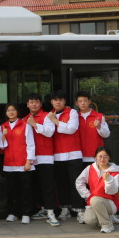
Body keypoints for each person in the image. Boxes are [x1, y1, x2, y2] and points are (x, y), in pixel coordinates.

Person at [47, 91, 85, 223]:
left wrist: (55, 121)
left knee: (76, 183)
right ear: (51, 102)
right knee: (62, 184)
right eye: (55, 100)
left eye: (61, 100)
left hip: (74, 153)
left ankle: (80, 210)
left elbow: (71, 129)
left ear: (65, 102)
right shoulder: (49, 115)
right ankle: (65, 209)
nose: (58, 102)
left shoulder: (72, 112)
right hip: (57, 155)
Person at [24, 93, 60, 227]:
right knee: (35, 186)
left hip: (45, 156)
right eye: (31, 102)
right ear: (27, 104)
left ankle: (51, 212)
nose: (34, 104)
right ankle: (43, 209)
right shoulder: (24, 119)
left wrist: (34, 125)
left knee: (47, 186)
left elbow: (49, 132)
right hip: (30, 158)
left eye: (36, 102)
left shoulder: (47, 116)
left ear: (40, 104)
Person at [0, 103, 35, 224]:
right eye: (8, 110)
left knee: (26, 190)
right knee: (12, 190)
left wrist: (29, 161)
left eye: (13, 110)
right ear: (6, 113)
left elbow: (30, 144)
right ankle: (13, 213)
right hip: (9, 164)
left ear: (17, 112)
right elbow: (2, 146)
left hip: (23, 163)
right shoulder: (3, 126)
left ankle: (26, 213)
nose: (11, 112)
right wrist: (4, 135)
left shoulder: (25, 125)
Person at [75, 146, 119, 233]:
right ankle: (108, 217)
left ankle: (107, 225)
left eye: (105, 156)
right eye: (100, 156)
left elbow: (112, 191)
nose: (102, 159)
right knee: (89, 220)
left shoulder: (115, 171)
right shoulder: (90, 168)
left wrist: (109, 179)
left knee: (95, 200)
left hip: (111, 202)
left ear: (109, 158)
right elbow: (79, 182)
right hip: (94, 201)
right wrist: (88, 195)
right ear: (96, 157)